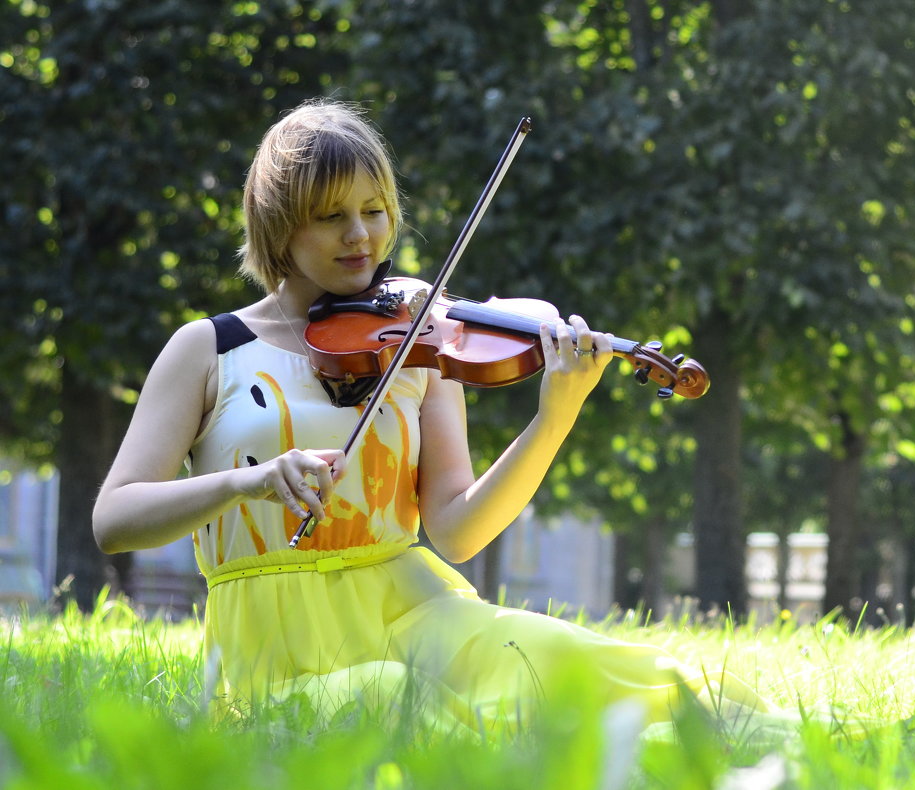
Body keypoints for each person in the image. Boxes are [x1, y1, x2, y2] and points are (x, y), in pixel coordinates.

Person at [92, 99, 774, 732]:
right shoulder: (209, 349)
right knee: (397, 699)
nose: (361, 235)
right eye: (332, 216)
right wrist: (250, 481)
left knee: (582, 668)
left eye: (376, 209)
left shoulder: (416, 336)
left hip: (414, 608)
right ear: (279, 225)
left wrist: (554, 417)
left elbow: (459, 530)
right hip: (278, 644)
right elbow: (114, 519)